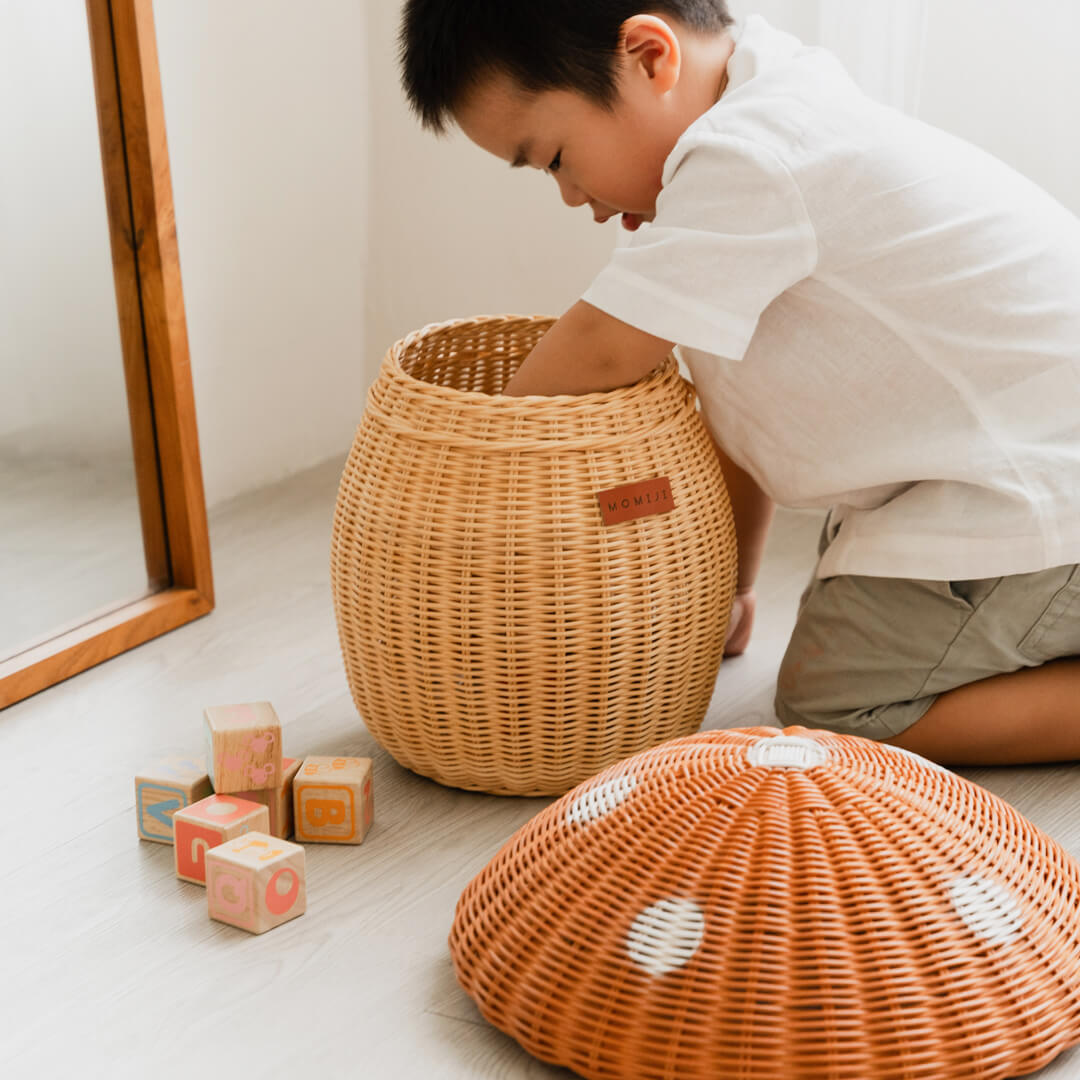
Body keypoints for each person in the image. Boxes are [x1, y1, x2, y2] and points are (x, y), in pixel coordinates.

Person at [397, 1, 1080, 766]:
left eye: (556, 157)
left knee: (837, 705)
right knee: (852, 607)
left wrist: (476, 451)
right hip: (1025, 469)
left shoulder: (750, 157)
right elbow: (737, 413)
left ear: (651, 58)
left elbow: (599, 347)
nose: (571, 198)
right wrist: (735, 585)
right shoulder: (770, 102)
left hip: (1045, 503)